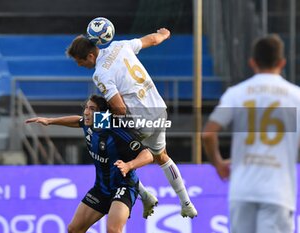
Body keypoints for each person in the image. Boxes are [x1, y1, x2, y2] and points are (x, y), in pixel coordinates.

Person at [66, 28, 197, 218]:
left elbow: (119, 109)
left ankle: (144, 195)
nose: (79, 65)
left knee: (112, 151)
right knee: (162, 157)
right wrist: (164, 35)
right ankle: (186, 204)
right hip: (159, 110)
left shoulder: (100, 74)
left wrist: (100, 117)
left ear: (90, 56)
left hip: (140, 120)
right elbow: (151, 39)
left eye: (80, 61)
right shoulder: (120, 46)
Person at [202, 34, 299, 233]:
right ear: (282, 62)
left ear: (253, 62)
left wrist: (219, 163)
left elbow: (208, 134)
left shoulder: (237, 93)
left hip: (242, 189)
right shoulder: (295, 96)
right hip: (278, 190)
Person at [26, 95, 153, 233]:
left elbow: (147, 155)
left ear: (102, 114)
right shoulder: (90, 124)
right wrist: (49, 121)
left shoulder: (116, 131)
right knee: (74, 229)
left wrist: (129, 165)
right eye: (86, 108)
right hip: (101, 189)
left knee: (113, 230)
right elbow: (77, 120)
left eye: (92, 109)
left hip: (123, 187)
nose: (86, 112)